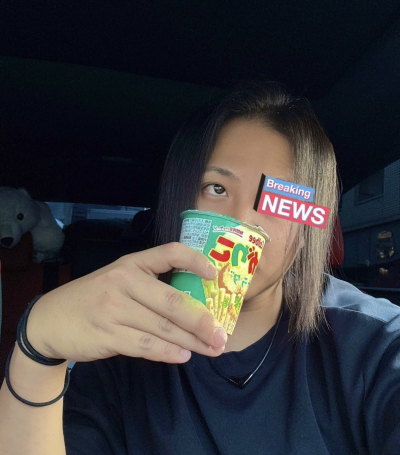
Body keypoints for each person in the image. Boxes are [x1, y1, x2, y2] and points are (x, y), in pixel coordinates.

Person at [0, 82, 399, 455]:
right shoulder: (118, 344)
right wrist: (38, 349)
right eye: (217, 188)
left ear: (307, 223)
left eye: (276, 199)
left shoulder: (372, 344)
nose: (242, 221)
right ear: (181, 201)